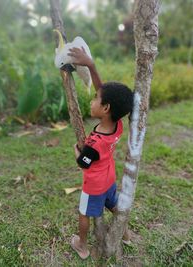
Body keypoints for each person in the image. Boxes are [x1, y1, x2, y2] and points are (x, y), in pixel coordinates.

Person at [68, 47, 134, 259]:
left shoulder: (94, 143)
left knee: (84, 213)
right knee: (113, 206)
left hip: (94, 185)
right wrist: (90, 65)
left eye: (95, 98)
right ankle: (124, 233)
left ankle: (82, 246)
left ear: (105, 108)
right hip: (109, 180)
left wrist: (76, 151)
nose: (92, 100)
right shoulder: (118, 125)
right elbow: (105, 92)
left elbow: (83, 163)